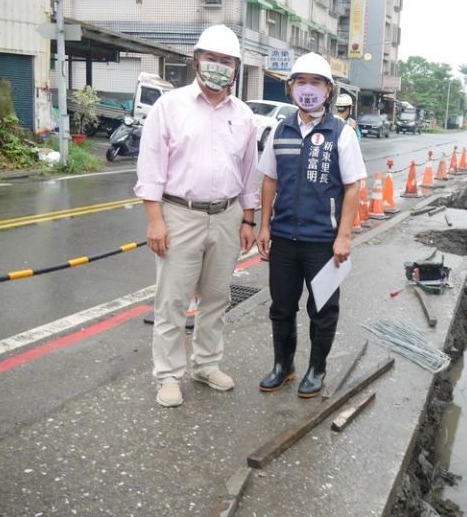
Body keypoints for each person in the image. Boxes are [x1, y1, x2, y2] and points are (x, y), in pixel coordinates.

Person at [135, 24, 259, 407]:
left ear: (236, 68)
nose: (218, 67)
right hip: (179, 214)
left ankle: (206, 364)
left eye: (226, 61)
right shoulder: (169, 107)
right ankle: (168, 375)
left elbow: (248, 173)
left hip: (226, 215)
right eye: (212, 59)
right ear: (196, 62)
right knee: (172, 299)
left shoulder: (244, 115)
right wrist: (155, 221)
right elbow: (151, 169)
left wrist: (248, 220)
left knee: (217, 297)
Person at [256, 52, 366, 398]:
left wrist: (343, 236)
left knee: (322, 310)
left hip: (323, 242)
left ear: (328, 91)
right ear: (290, 89)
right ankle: (283, 366)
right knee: (282, 307)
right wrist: (263, 227)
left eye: (315, 82)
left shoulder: (341, 134)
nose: (308, 89)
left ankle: (317, 370)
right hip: (285, 239)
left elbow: (353, 187)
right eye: (300, 82)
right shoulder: (280, 130)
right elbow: (269, 181)